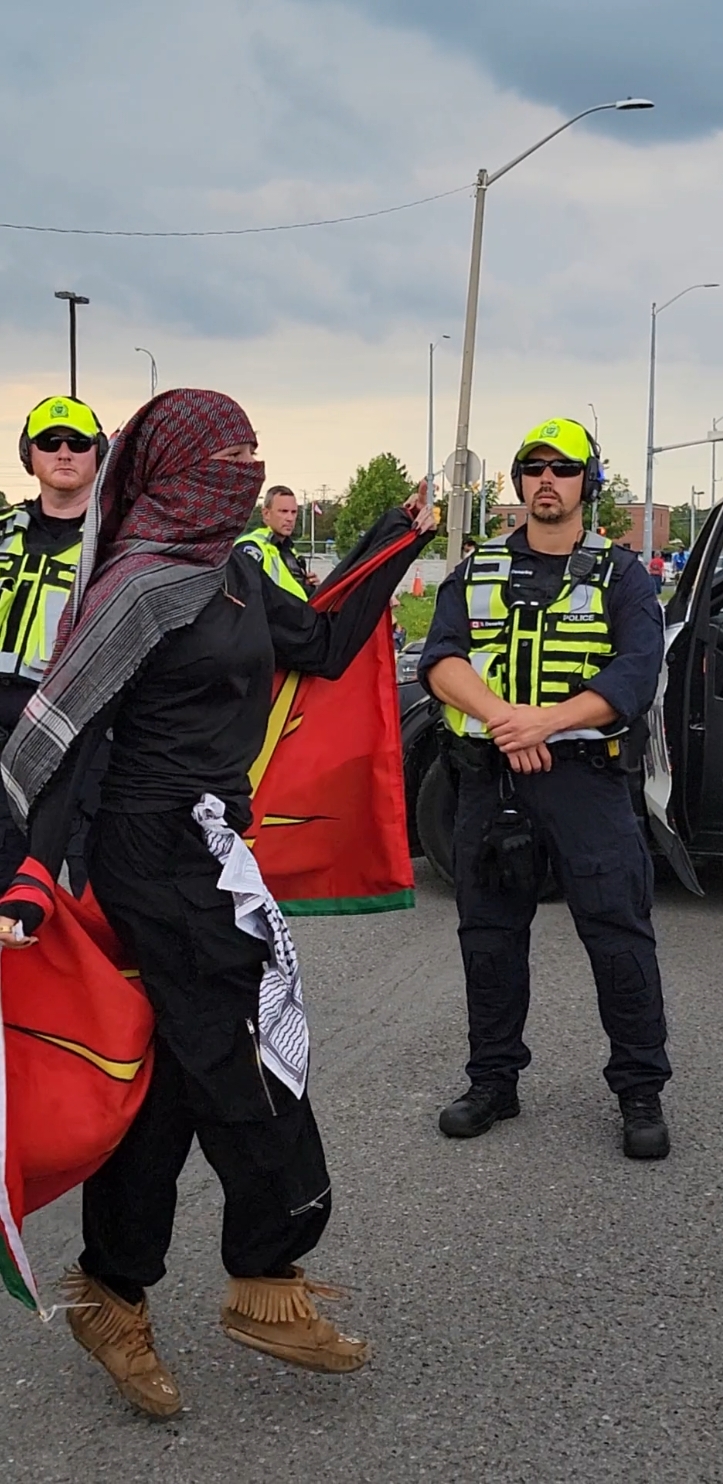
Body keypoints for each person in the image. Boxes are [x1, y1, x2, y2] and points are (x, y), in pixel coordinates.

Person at [0, 389, 435, 1419]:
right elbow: (62, 740)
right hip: (146, 855)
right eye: (227, 453)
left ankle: (115, 1288)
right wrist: (25, 869)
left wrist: (396, 539)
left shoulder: (235, 570)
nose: (245, 468)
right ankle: (267, 1275)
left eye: (254, 450)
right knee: (242, 1057)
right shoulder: (136, 586)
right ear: (179, 469)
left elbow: (321, 645)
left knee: (178, 1082)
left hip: (211, 850)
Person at [418, 416, 671, 1158]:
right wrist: (505, 720)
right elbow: (442, 657)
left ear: (588, 483)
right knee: (489, 939)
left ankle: (639, 1090)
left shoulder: (624, 576)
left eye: (562, 469)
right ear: (519, 482)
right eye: (534, 468)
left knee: (618, 935)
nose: (547, 481)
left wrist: (548, 723)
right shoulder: (477, 569)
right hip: (489, 778)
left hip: (586, 783)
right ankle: (493, 1082)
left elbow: (634, 674)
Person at [0, 395, 108, 893]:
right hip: (3, 741)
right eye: (50, 441)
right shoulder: (3, 536)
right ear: (30, 454)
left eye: (78, 443)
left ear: (97, 454)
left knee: (103, 896)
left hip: (82, 739)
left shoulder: (116, 547)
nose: (64, 452)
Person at [237, 483, 317, 597]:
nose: (290, 518)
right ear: (266, 514)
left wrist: (307, 587)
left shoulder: (289, 550)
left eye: (293, 512)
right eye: (283, 511)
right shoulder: (251, 546)